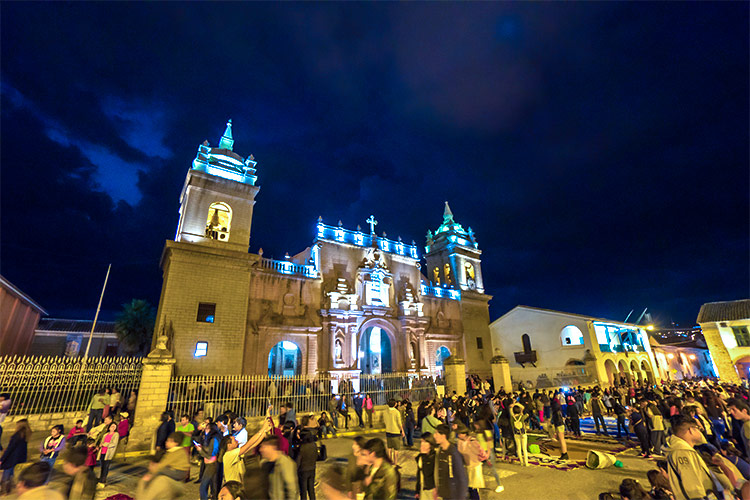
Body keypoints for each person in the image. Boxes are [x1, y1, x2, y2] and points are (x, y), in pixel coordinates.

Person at [665, 415, 724, 500]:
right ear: (691, 430)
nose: (701, 433)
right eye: (698, 429)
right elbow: (691, 485)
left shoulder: (684, 450)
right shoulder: (682, 452)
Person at [434, 424, 468, 500]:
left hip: (453, 495)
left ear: (443, 436)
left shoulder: (453, 453)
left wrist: (461, 497)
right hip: (443, 494)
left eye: (436, 433)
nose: (434, 436)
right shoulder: (439, 450)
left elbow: (462, 478)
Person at [259, 436, 298, 500]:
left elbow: (291, 489)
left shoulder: (285, 463)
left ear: (272, 447)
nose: (261, 450)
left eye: (264, 447)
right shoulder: (263, 463)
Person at [0, 420, 31, 494]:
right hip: (17, 458)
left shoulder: (16, 436)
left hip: (11, 458)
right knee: (10, 473)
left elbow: (10, 448)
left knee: (6, 475)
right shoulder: (25, 434)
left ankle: (5, 490)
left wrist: (2, 459)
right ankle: (8, 488)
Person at [456, 426, 485, 500]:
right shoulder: (459, 441)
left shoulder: (473, 441)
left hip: (474, 467)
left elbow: (481, 452)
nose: (458, 435)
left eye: (459, 434)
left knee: (473, 488)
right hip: (465, 466)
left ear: (464, 434)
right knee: (467, 486)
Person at [196, 421, 221, 500]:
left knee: (203, 486)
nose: (205, 430)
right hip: (209, 464)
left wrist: (200, 450)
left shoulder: (214, 439)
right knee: (212, 484)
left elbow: (210, 455)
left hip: (211, 464)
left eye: (207, 429)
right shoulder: (210, 438)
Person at [296, 423, 318, 500]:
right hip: (312, 469)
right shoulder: (314, 445)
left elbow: (298, 461)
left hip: (303, 471)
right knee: (311, 490)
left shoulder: (302, 447)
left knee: (303, 491)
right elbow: (316, 456)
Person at [383, 398, 405, 467]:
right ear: (395, 404)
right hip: (395, 432)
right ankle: (395, 463)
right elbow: (399, 423)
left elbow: (385, 421)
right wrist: (402, 431)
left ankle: (390, 462)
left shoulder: (385, 412)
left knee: (389, 448)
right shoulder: (396, 412)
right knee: (396, 449)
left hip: (388, 431)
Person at [97, 421, 119, 486]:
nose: (113, 428)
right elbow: (102, 441)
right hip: (103, 451)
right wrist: (101, 445)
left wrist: (105, 444)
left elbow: (114, 444)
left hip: (108, 453)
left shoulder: (116, 434)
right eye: (112, 426)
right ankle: (101, 479)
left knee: (106, 467)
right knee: (102, 466)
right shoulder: (105, 435)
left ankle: (103, 481)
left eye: (114, 427)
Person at [416, 433, 437, 500]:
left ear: (430, 444)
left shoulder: (434, 457)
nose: (422, 445)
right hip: (423, 487)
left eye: (425, 442)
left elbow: (429, 473)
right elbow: (419, 474)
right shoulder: (421, 457)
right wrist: (417, 490)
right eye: (422, 442)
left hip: (432, 489)